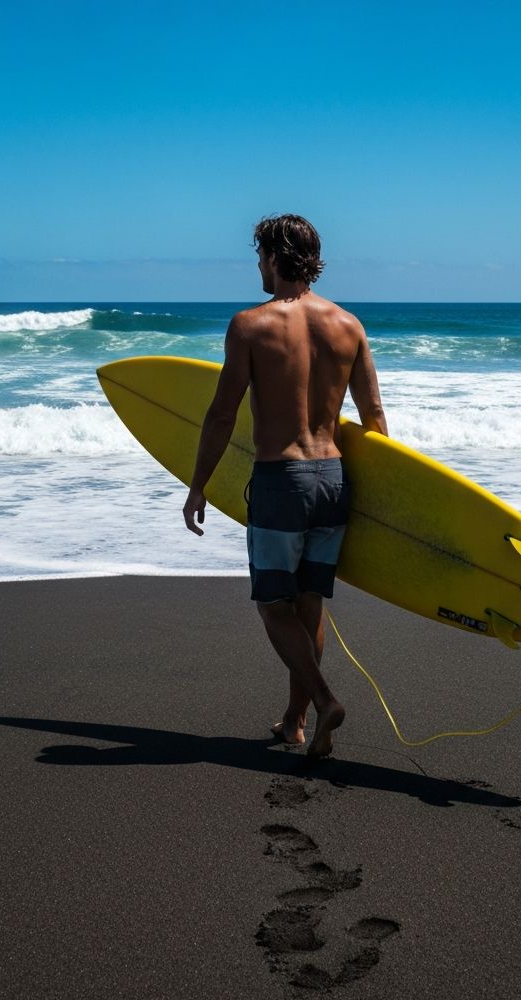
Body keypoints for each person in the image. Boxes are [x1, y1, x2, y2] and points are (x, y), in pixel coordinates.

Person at [182, 214, 388, 758]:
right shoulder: (350, 325)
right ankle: (296, 722)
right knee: (309, 606)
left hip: (281, 482)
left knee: (274, 607)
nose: (257, 266)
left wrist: (197, 485)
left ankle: (323, 701)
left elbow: (223, 415)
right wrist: (384, 506)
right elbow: (375, 422)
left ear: (276, 256)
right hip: (334, 479)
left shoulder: (250, 325)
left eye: (260, 256)